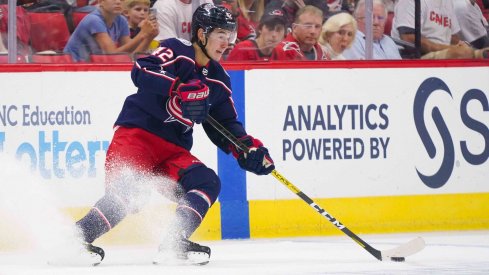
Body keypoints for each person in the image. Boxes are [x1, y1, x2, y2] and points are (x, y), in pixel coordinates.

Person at [74, 3, 275, 266]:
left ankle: (174, 241)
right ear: (201, 34)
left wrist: (248, 150)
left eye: (231, 36)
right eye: (221, 35)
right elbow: (141, 70)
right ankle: (76, 238)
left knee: (207, 181)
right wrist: (178, 87)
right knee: (130, 193)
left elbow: (225, 125)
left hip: (172, 151)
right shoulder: (176, 50)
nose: (227, 43)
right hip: (138, 136)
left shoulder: (219, 80)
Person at [64, 0, 159, 62]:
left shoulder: (121, 20)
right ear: (101, 2)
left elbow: (132, 56)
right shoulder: (94, 20)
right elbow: (112, 55)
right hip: (71, 66)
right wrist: (142, 34)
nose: (118, 2)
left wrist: (149, 37)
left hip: (94, 66)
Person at [391, 0, 488, 59]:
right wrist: (449, 49)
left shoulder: (447, 2)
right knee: (463, 53)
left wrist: (462, 45)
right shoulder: (409, 1)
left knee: (473, 51)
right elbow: (408, 38)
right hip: (414, 58)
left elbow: (452, 36)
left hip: (444, 54)